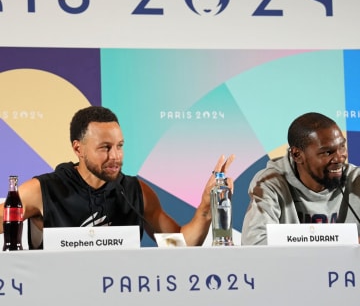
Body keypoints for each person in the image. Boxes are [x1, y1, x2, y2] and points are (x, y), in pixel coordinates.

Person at [0, 106, 235, 249]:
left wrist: (206, 206)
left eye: (119, 146)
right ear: (78, 149)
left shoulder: (136, 191)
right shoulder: (41, 190)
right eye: (105, 147)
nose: (115, 156)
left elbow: (179, 244)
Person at [241, 112, 360, 245]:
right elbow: (254, 243)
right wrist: (344, 241)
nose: (340, 158)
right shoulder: (270, 183)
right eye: (327, 152)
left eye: (342, 146)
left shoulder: (356, 180)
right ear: (297, 155)